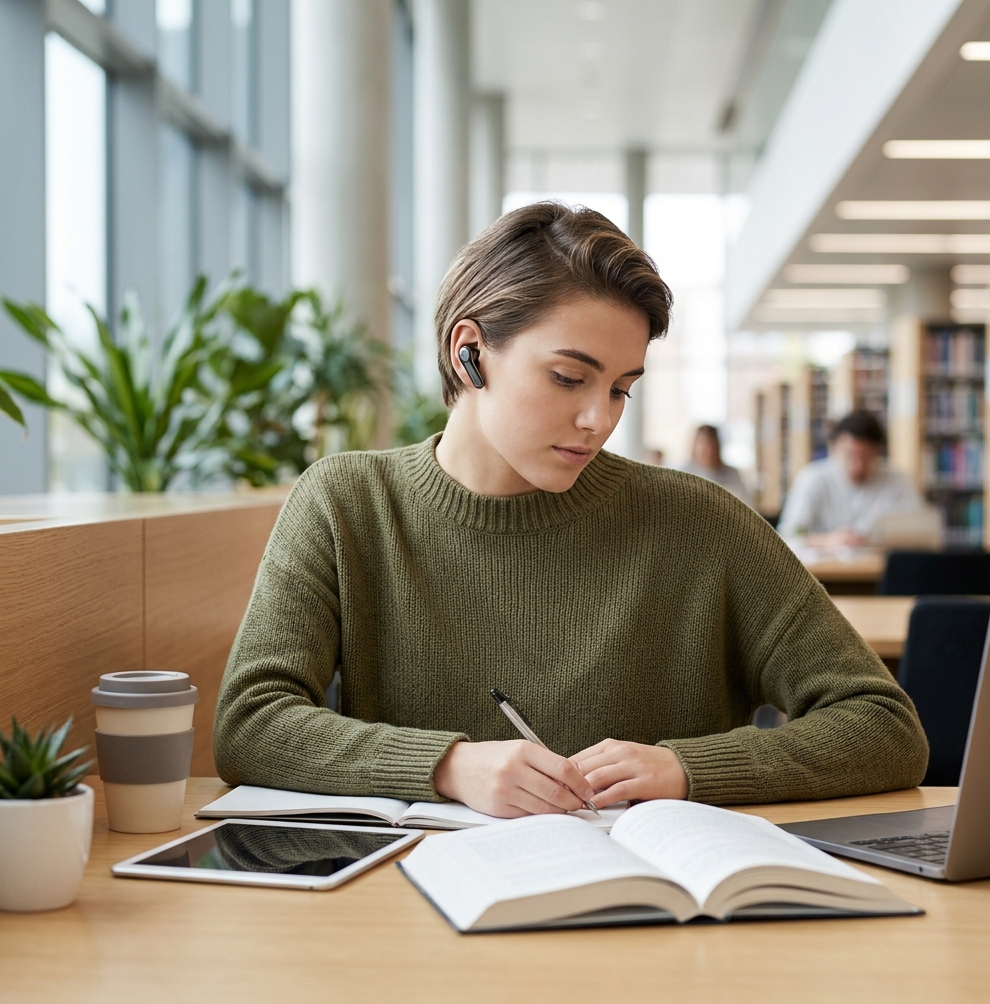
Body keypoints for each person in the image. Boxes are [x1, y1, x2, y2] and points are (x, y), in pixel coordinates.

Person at [214, 203, 926, 818]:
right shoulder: (346, 504)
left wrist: (688, 771)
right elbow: (251, 723)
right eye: (568, 377)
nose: (597, 418)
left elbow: (884, 727)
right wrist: (448, 767)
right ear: (470, 355)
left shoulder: (702, 523)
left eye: (621, 388)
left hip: (666, 935)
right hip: (416, 934)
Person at [778, 410, 922, 547]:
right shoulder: (813, 479)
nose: (858, 466)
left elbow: (920, 534)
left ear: (878, 451)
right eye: (850, 455)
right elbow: (789, 535)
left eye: (866, 457)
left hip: (880, 569)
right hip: (824, 571)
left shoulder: (899, 481)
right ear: (835, 448)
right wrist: (828, 541)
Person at [683, 424, 751, 505]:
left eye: (710, 444)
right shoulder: (684, 474)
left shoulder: (732, 474)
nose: (708, 450)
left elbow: (746, 504)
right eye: (702, 444)